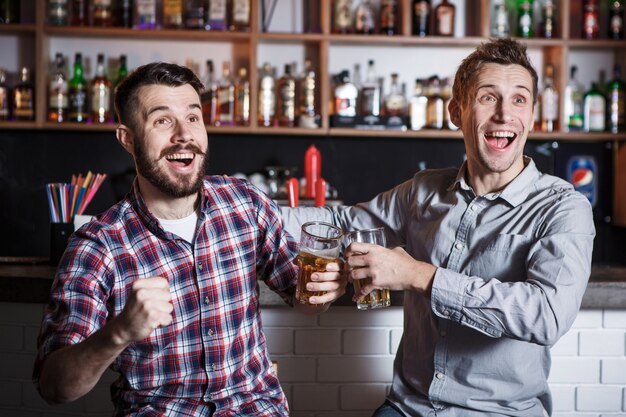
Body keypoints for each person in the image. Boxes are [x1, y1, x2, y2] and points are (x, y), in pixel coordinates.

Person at [282, 38, 595, 416]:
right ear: (456, 111)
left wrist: (419, 275)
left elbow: (546, 315)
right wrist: (236, 205)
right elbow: (338, 222)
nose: (504, 115)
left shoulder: (563, 206)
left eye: (519, 99)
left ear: (531, 116)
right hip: (408, 408)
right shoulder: (422, 192)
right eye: (488, 97)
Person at [33, 62, 346, 416]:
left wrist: (326, 288)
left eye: (193, 118)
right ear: (128, 139)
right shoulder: (97, 246)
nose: (184, 135)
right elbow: (54, 387)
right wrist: (119, 332)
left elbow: (304, 297)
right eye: (162, 120)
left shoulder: (246, 204)